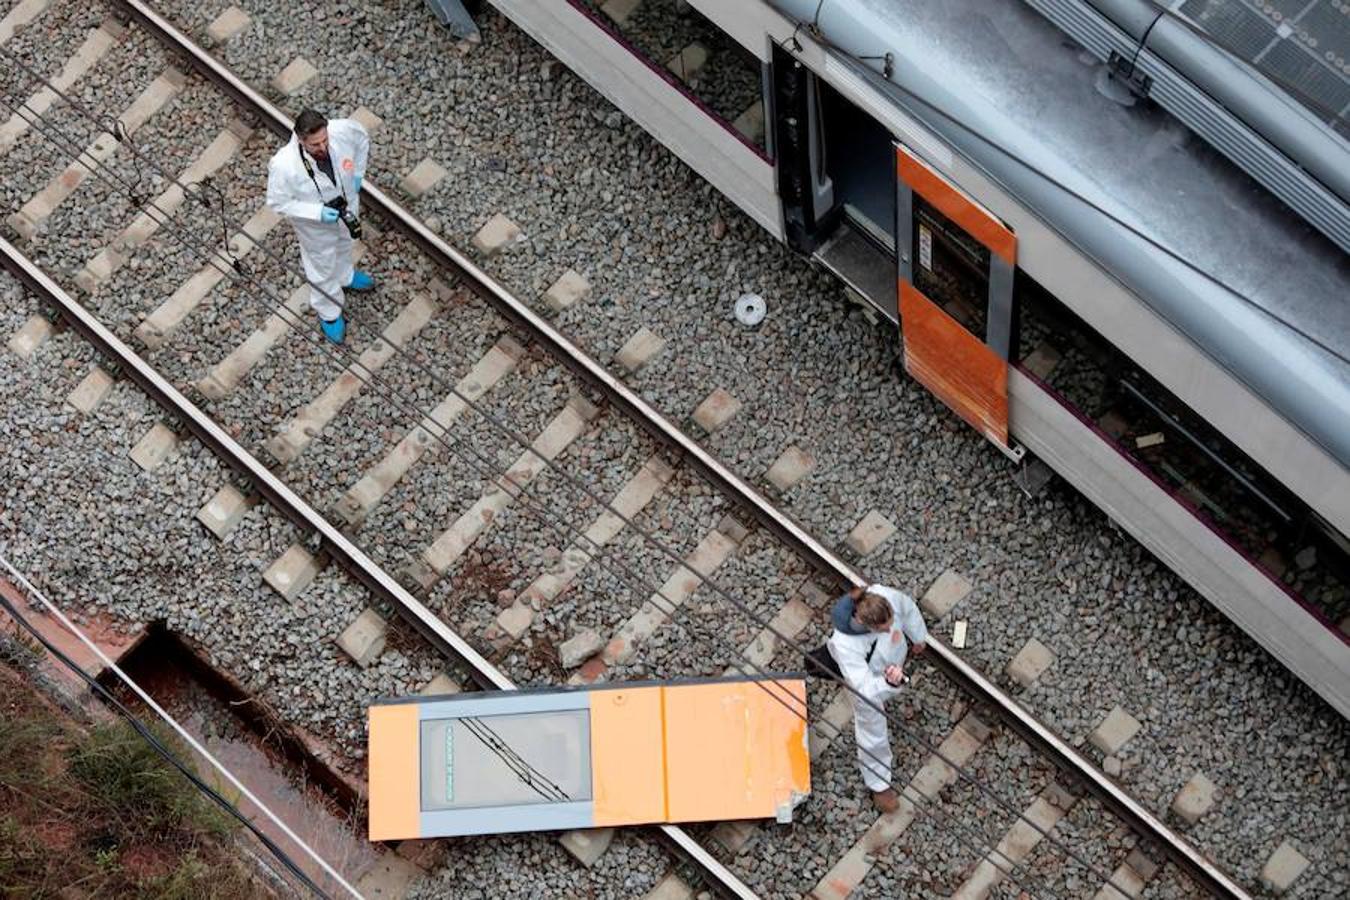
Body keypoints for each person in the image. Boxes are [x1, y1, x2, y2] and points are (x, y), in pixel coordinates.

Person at [265, 109, 373, 344]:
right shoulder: (284, 165)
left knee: (346, 245)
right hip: (316, 227)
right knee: (321, 267)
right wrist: (316, 213)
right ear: (301, 140)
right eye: (315, 145)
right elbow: (277, 202)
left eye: (325, 140)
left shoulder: (343, 130)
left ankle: (345, 276)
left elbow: (362, 138)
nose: (323, 147)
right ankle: (329, 312)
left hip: (347, 208)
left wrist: (358, 174)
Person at [826, 583, 928, 813]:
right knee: (871, 727)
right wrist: (889, 684)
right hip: (868, 678)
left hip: (891, 663)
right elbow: (864, 687)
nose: (891, 627)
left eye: (892, 620)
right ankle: (878, 783)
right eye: (885, 627)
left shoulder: (886, 595)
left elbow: (908, 608)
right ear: (864, 624)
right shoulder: (845, 645)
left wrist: (918, 636)